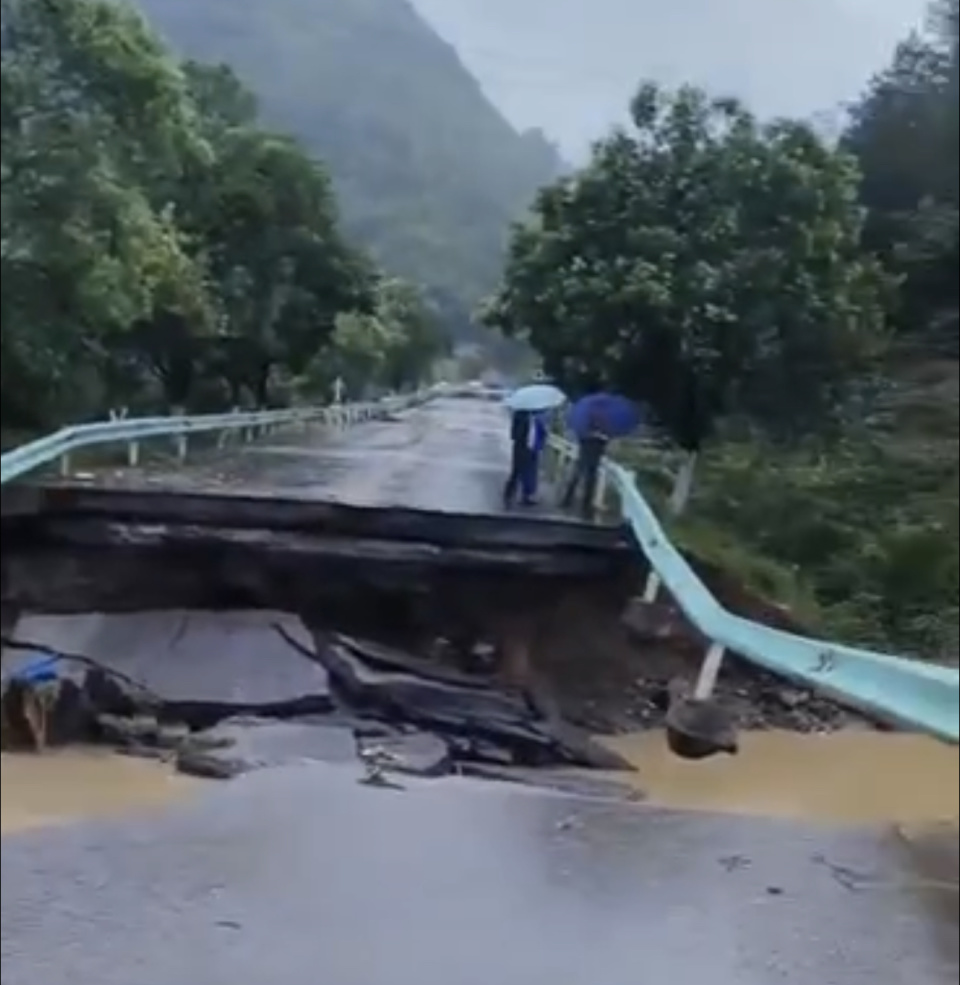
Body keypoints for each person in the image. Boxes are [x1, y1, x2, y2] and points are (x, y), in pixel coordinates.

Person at [561, 408, 608, 520]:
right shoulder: (598, 426)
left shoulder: (585, 422)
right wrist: (600, 437)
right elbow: (602, 441)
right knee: (586, 478)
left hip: (588, 451)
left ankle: (569, 501)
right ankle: (582, 505)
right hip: (591, 451)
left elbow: (581, 437)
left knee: (580, 476)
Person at [503, 409, 540, 507]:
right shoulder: (521, 415)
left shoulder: (535, 416)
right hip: (522, 447)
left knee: (528, 472)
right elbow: (514, 434)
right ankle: (509, 495)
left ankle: (525, 496)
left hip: (529, 447)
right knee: (517, 472)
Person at [520, 412, 547, 504]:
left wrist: (541, 446)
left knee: (532, 472)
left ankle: (529, 494)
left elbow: (543, 434)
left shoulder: (539, 422)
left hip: (534, 449)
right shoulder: (524, 420)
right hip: (525, 449)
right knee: (525, 472)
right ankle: (525, 494)